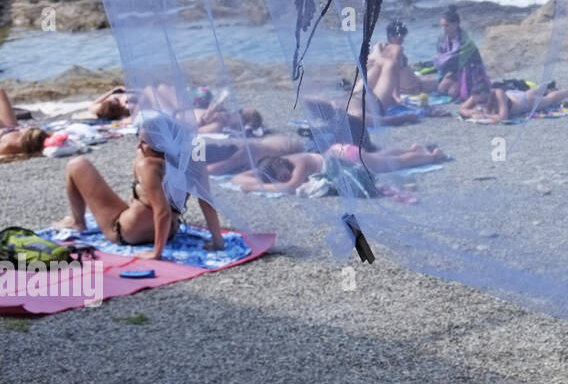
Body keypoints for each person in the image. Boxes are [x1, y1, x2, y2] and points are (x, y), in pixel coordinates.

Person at [56, 115, 225, 255]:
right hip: (170, 233)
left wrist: (156, 254)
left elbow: (163, 212)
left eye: (144, 142)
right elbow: (207, 203)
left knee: (77, 164)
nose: (139, 146)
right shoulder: (193, 163)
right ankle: (78, 221)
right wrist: (218, 242)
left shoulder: (149, 166)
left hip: (128, 233)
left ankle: (78, 222)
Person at [233, 142, 449, 193]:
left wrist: (255, 187)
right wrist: (257, 175)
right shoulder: (285, 160)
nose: (284, 178)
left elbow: (292, 186)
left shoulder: (297, 164)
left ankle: (431, 157)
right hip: (341, 151)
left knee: (390, 165)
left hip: (346, 157)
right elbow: (237, 178)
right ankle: (413, 148)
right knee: (380, 157)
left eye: (281, 176)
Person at [434, 6, 491, 100]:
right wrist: (443, 76)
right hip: (453, 71)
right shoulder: (442, 39)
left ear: (455, 24)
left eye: (446, 25)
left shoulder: (465, 41)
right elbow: (441, 59)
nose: (444, 29)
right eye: (442, 26)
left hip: (469, 71)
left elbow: (462, 62)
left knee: (452, 93)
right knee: (441, 90)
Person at [459, 81, 568, 122]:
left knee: (549, 100)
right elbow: (462, 109)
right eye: (479, 102)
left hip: (524, 103)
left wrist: (483, 115)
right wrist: (472, 113)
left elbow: (503, 117)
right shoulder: (477, 95)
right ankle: (545, 87)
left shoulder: (498, 93)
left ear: (488, 93)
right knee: (530, 93)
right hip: (514, 96)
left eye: (484, 101)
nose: (481, 104)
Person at [0, 86, 49, 158]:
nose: (29, 127)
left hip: (9, 130)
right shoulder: (14, 143)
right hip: (10, 128)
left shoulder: (8, 146)